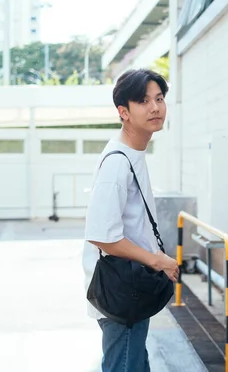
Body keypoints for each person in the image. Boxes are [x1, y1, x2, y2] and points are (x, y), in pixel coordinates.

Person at [82, 69, 180, 371]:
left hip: (130, 288)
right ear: (123, 112)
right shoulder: (118, 164)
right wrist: (156, 261)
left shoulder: (132, 154)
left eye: (159, 98)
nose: (155, 107)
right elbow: (103, 235)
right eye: (143, 101)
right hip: (122, 291)